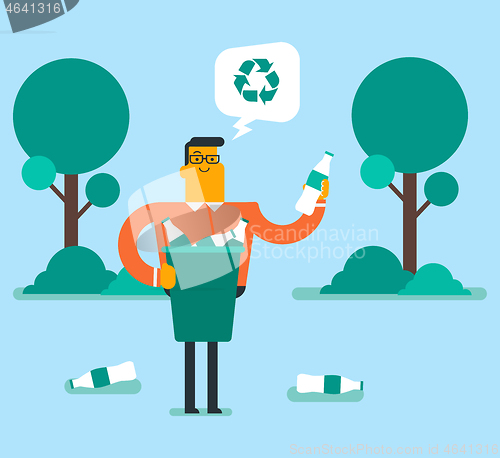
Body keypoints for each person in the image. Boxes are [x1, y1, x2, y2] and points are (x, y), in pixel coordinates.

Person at [118, 137, 329, 414]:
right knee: (190, 343)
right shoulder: (163, 211)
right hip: (183, 288)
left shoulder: (243, 212)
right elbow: (127, 242)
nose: (206, 167)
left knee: (214, 344)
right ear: (185, 169)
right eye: (198, 160)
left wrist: (318, 200)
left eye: (212, 160)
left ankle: (212, 402)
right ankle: (190, 403)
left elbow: (289, 232)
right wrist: (158, 277)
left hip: (224, 288)